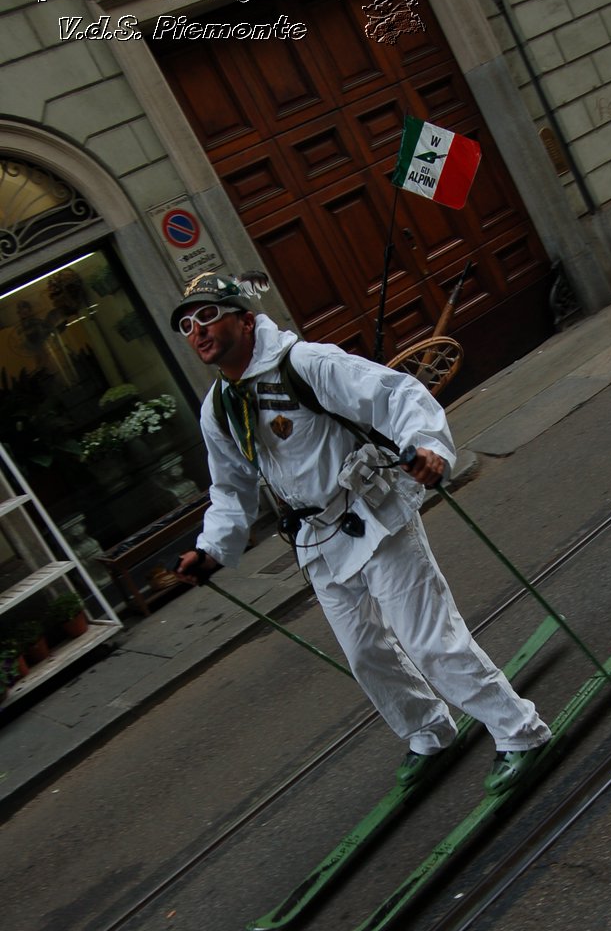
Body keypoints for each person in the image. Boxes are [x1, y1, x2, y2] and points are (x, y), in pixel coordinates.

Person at [173, 273, 550, 793]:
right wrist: (210, 550)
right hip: (317, 540)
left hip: (373, 513)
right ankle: (430, 731)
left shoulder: (305, 363)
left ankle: (519, 730)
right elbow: (230, 487)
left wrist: (429, 447)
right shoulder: (218, 410)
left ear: (242, 317)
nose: (197, 331)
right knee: (365, 654)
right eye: (187, 325)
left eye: (208, 316)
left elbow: (393, 395)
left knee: (428, 639)